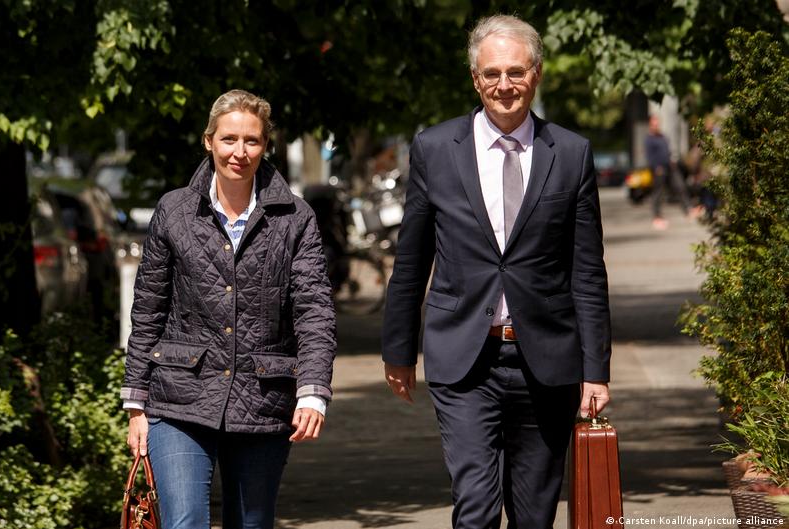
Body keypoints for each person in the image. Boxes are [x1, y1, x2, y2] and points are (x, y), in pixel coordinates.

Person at [381, 15, 611, 529]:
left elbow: (587, 271)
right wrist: (398, 350)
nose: (503, 85)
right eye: (491, 74)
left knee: (534, 515)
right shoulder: (435, 149)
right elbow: (412, 259)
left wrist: (596, 369)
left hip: (546, 362)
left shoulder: (571, 154)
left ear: (537, 74)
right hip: (463, 358)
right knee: (477, 507)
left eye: (515, 72)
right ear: (474, 79)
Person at [121, 89, 335, 529]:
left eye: (251, 141)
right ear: (209, 141)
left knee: (252, 523)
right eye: (229, 139)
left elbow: (314, 310)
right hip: (179, 395)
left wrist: (313, 390)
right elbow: (148, 310)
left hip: (262, 399)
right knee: (184, 522)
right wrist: (136, 405)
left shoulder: (295, 218)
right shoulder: (174, 211)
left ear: (265, 146)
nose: (240, 152)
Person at [645, 114, 694, 230]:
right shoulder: (649, 139)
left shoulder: (662, 136)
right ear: (650, 125)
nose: (656, 125)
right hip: (659, 170)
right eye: (654, 123)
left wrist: (671, 160)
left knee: (680, 186)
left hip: (670, 167)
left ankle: (688, 210)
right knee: (658, 193)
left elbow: (667, 150)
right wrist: (656, 167)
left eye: (657, 123)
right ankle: (657, 217)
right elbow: (649, 156)